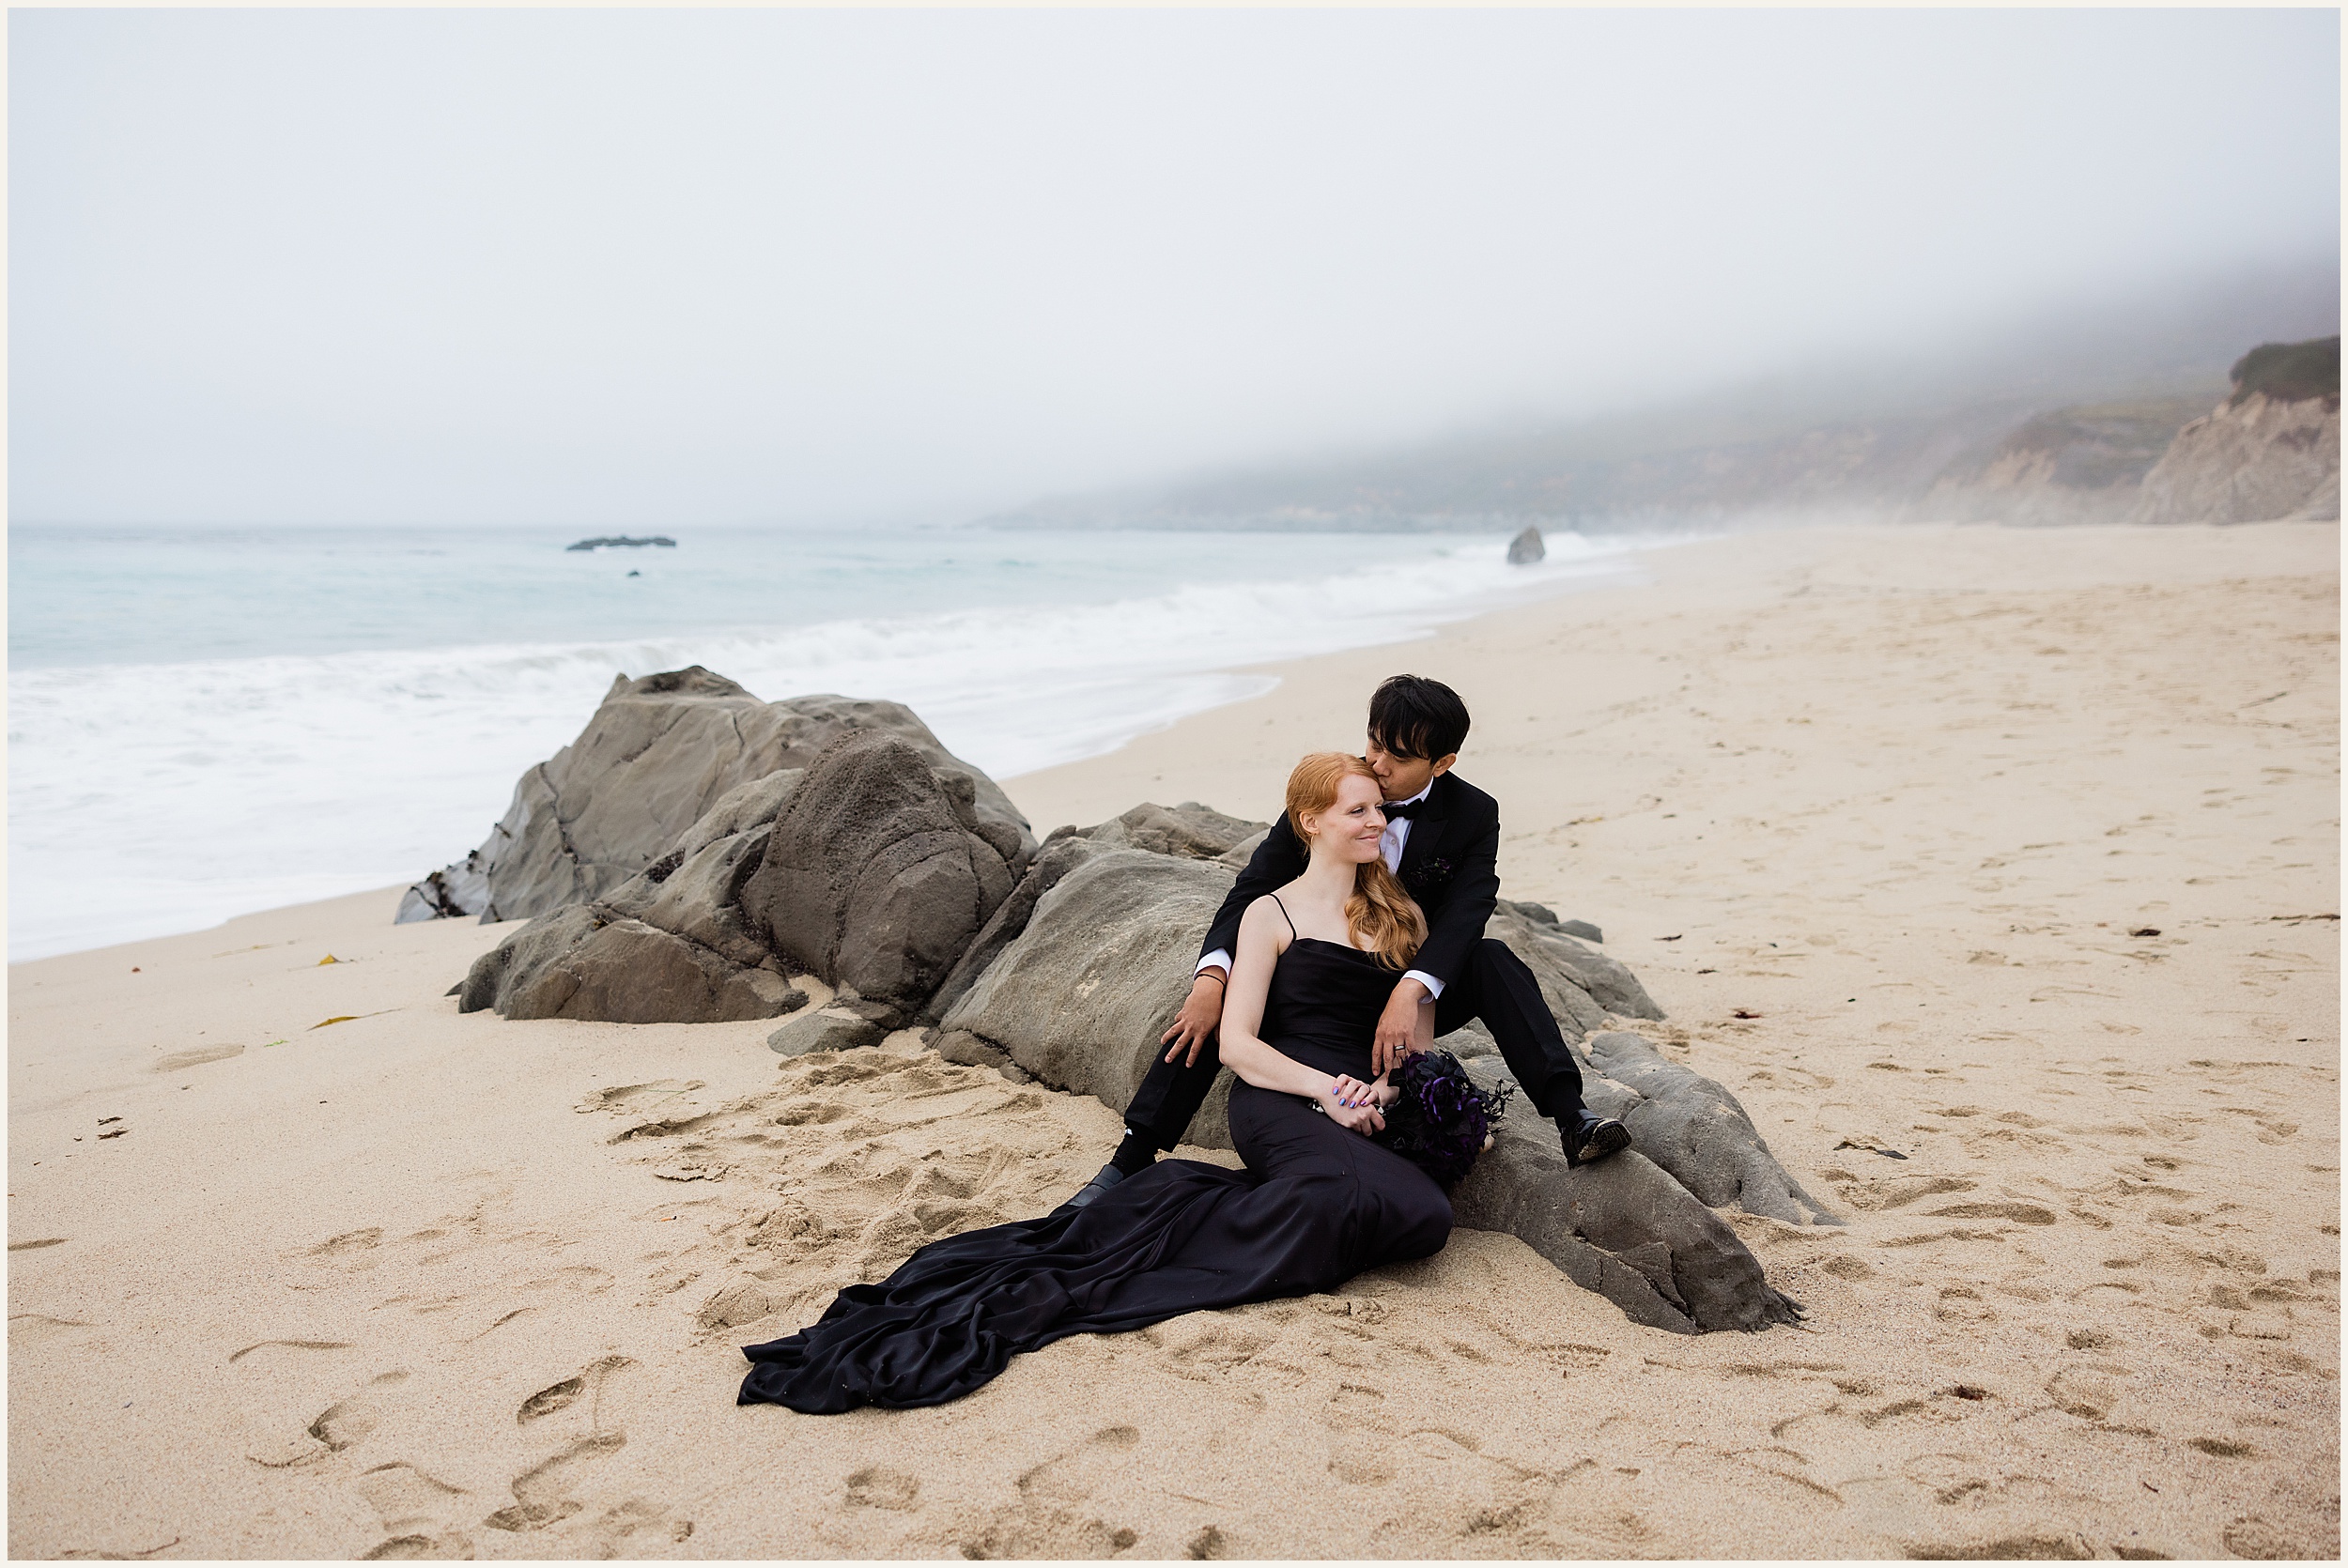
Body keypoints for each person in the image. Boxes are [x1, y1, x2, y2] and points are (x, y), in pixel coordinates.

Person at [739, 753, 1464, 1413]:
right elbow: (1239, 1045)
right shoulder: (1267, 913)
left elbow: (1415, 1049)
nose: (1378, 821)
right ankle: (1162, 1237)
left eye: (1379, 809)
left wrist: (1383, 1095)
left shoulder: (1399, 916)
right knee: (1344, 1198)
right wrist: (1327, 1093)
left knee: (1426, 1216)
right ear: (1313, 822)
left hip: (1356, 1104)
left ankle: (1180, 1199)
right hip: (1280, 1097)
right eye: (1359, 810)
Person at [1059, 673, 1629, 1216]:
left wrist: (1411, 990)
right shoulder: (1339, 791)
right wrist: (1211, 976)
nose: (1377, 765)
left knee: (1495, 960)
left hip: (1399, 976)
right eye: (1374, 743)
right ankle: (1130, 1158)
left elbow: (1467, 912)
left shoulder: (1474, 814)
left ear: (1443, 763)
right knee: (1216, 1007)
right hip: (1320, 979)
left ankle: (1570, 1117)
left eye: (1398, 758)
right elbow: (1255, 887)